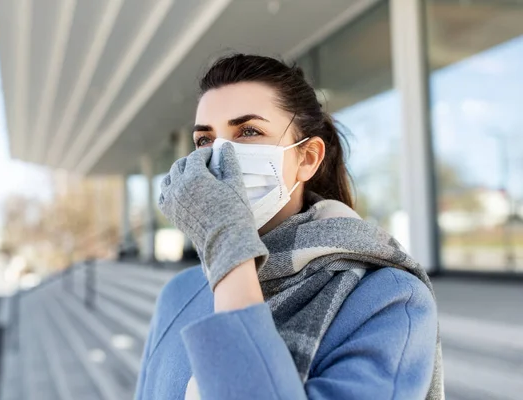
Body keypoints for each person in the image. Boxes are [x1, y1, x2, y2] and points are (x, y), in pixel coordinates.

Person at [135, 54, 444, 400]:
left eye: (249, 131)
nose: (219, 156)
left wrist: (228, 247)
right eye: (205, 140)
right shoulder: (180, 292)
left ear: (307, 158)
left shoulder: (389, 299)